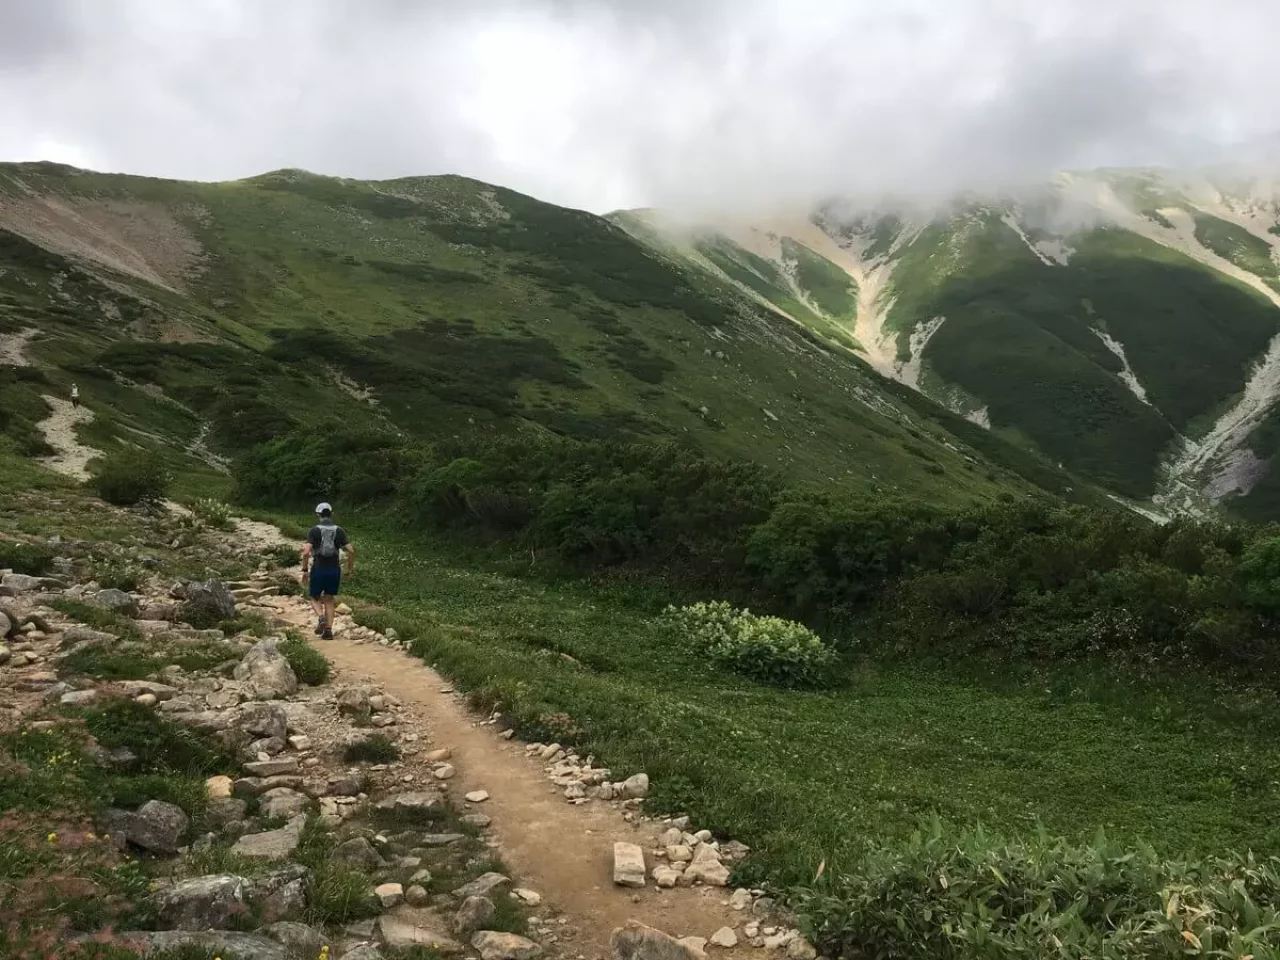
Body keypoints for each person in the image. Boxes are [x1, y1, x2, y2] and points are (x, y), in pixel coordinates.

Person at [300, 502, 354, 640]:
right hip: (334, 569)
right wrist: (350, 569)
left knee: (314, 597)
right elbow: (351, 551)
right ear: (331, 514)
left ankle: (321, 617)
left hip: (319, 568)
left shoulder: (314, 530)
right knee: (329, 600)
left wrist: (305, 570)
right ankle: (328, 631)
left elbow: (306, 552)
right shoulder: (339, 530)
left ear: (318, 515)